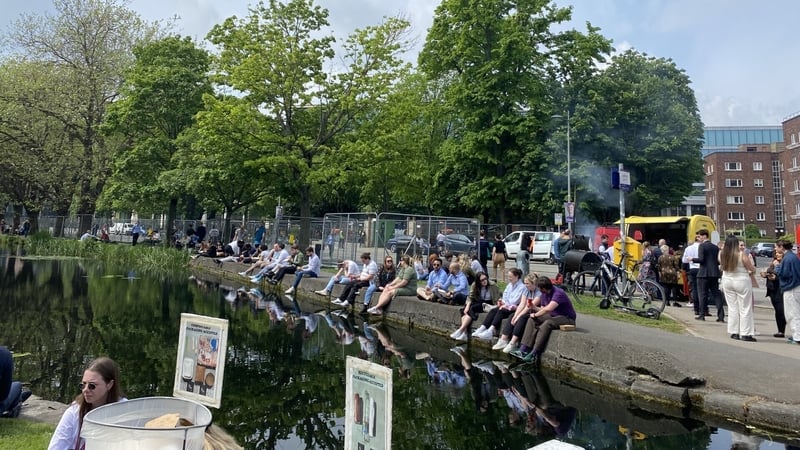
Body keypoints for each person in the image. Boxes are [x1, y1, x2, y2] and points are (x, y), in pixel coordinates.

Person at [48, 357, 124, 450]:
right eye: (83, 385)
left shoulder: (124, 410)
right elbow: (57, 446)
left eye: (92, 386)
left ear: (109, 385)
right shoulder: (74, 411)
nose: (85, 390)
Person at [511, 276, 577, 364]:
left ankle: (534, 353)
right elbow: (542, 309)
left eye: (540, 288)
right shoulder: (544, 294)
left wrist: (535, 314)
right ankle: (523, 349)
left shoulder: (558, 293)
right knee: (532, 320)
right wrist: (534, 308)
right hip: (553, 315)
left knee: (547, 323)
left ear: (543, 288)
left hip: (567, 318)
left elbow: (548, 309)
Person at [720, 237, 758, 341]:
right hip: (741, 280)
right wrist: (753, 270)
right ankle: (745, 333)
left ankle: (734, 331)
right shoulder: (741, 254)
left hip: (727, 279)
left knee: (732, 307)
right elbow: (751, 268)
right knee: (745, 307)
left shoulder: (722, 254)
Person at [472, 268, 528, 340]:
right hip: (507, 305)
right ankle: (483, 328)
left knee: (501, 310)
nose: (509, 278)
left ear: (516, 276)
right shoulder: (510, 285)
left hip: (514, 308)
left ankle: (491, 330)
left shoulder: (522, 287)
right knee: (493, 310)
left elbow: (514, 301)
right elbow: (505, 296)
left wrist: (505, 304)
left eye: (510, 277)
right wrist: (502, 302)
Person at [492, 273, 540, 354]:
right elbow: (522, 304)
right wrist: (516, 315)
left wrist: (518, 316)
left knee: (522, 318)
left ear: (533, 283)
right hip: (527, 309)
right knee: (512, 316)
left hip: (535, 312)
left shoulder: (538, 292)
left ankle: (513, 342)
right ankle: (503, 339)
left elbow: (529, 307)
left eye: (527, 283)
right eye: (524, 283)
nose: (525, 285)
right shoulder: (526, 289)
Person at [449, 272, 501, 341]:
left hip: (487, 303)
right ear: (478, 281)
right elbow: (470, 297)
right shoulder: (475, 285)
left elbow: (497, 298)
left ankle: (461, 330)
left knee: (472, 309)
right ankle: (464, 333)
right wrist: (467, 305)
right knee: (464, 310)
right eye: (482, 280)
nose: (484, 281)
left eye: (485, 279)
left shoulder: (492, 285)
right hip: (478, 301)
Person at [693, 229, 724, 322]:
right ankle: (721, 316)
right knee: (716, 294)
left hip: (703, 273)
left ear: (704, 236)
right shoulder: (715, 247)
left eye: (699, 236)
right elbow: (718, 261)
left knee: (702, 294)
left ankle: (702, 314)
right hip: (714, 273)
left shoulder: (702, 246)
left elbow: (701, 259)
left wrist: (692, 259)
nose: (699, 238)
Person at [776, 240, 800, 345]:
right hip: (796, 286)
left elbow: (784, 273)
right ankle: (797, 334)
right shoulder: (793, 257)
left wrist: (777, 266)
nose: (775, 249)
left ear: (782, 247)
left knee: (792, 313)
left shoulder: (787, 258)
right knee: (795, 312)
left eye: (776, 247)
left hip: (791, 288)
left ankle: (797, 336)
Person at [761, 246, 787, 338]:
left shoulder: (784, 263)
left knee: (782, 311)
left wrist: (776, 276)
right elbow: (770, 270)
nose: (777, 255)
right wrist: (766, 275)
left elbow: (785, 275)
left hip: (781, 289)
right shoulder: (774, 262)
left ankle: (784, 330)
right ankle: (780, 330)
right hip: (773, 289)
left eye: (779, 253)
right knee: (777, 310)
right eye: (776, 253)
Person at [683, 234, 703, 315]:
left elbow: (684, 261)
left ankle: (696, 309)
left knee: (694, 289)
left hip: (692, 269)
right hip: (701, 269)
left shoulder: (688, 248)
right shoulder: (702, 247)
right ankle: (703, 309)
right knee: (702, 290)